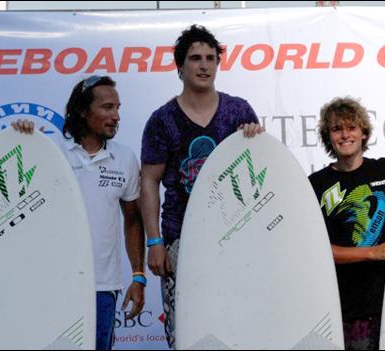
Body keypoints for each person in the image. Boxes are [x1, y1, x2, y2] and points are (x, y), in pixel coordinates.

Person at [140, 24, 264, 348]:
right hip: (182, 238)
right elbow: (149, 182)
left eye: (211, 58)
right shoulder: (162, 119)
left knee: (239, 326)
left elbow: (258, 174)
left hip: (235, 235)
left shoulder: (239, 111)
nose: (204, 65)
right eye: (195, 58)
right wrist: (154, 241)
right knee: (187, 331)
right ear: (180, 67)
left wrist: (255, 140)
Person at [12, 75, 145, 351]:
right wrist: (20, 139)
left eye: (118, 108)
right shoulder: (51, 151)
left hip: (103, 286)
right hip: (54, 282)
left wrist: (138, 275)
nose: (116, 116)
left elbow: (133, 220)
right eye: (107, 108)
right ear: (84, 111)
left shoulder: (125, 158)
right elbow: (16, 196)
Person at [308, 97, 385, 350]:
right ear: (328, 137)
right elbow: (315, 251)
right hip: (348, 311)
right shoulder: (315, 185)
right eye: (336, 129)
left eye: (351, 127)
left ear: (364, 133)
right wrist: (373, 252)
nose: (345, 135)